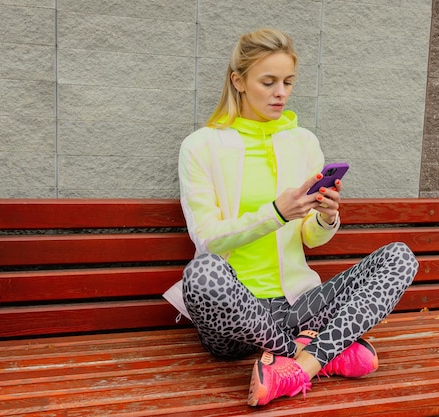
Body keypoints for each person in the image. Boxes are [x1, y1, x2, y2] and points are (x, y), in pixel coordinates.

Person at [163, 28, 418, 407]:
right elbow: (209, 240)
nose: (280, 92)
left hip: (298, 304)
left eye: (288, 82)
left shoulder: (303, 143)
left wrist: (325, 218)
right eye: (268, 82)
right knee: (201, 276)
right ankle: (325, 352)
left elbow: (310, 238)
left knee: (400, 257)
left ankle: (303, 366)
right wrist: (276, 214)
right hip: (235, 315)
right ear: (239, 82)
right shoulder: (201, 146)